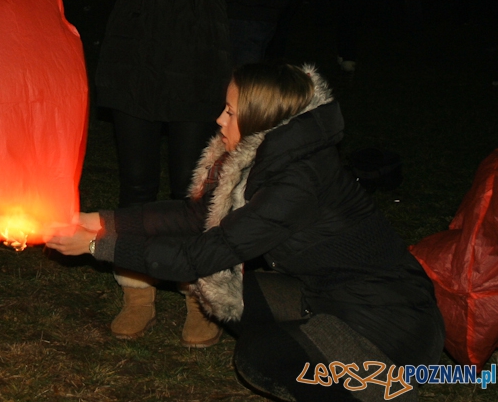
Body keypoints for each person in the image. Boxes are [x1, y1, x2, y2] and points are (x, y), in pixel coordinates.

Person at [48, 63, 445, 401]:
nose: (220, 120)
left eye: (232, 112)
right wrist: (99, 220)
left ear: (262, 119)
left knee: (260, 356)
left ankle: (376, 384)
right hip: (330, 295)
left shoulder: (296, 182)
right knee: (231, 299)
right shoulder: (271, 155)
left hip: (390, 324)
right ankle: (318, 343)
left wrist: (97, 245)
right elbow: (194, 217)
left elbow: (198, 256)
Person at [88, 0, 258, 346]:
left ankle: (196, 294)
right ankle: (137, 291)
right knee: (136, 179)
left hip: (197, 38)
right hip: (137, 33)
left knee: (194, 185)